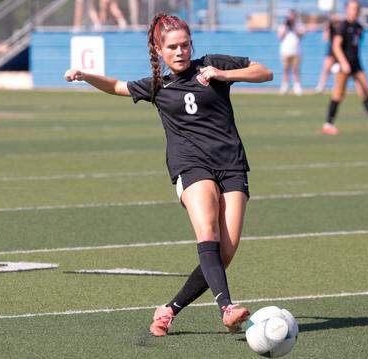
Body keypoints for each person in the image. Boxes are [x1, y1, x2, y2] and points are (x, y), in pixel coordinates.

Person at [64, 13, 273, 336]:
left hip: (231, 163)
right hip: (190, 165)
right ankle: (227, 308)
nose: (180, 52)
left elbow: (265, 72)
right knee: (208, 232)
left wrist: (222, 73)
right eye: (173, 47)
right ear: (159, 50)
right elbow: (117, 86)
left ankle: (169, 310)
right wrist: (84, 75)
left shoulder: (212, 65)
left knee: (225, 252)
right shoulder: (157, 85)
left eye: (185, 45)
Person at [322, 1, 368, 135]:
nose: (354, 11)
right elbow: (336, 46)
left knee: (365, 90)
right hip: (345, 65)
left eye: (356, 9)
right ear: (347, 10)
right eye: (352, 9)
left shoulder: (359, 27)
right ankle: (328, 124)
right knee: (338, 94)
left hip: (356, 63)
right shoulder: (342, 26)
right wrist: (343, 62)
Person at [277, 10, 305, 95]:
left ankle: (297, 87)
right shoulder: (283, 25)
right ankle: (285, 87)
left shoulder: (299, 25)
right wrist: (286, 27)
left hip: (296, 51)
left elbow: (302, 35)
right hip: (285, 51)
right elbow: (280, 37)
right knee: (286, 69)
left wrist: (294, 27)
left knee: (295, 69)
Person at [314, 13, 342, 94]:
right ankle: (321, 87)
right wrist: (328, 27)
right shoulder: (331, 28)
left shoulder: (342, 28)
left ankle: (336, 88)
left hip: (341, 50)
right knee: (326, 69)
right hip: (331, 50)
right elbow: (325, 38)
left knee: (338, 71)